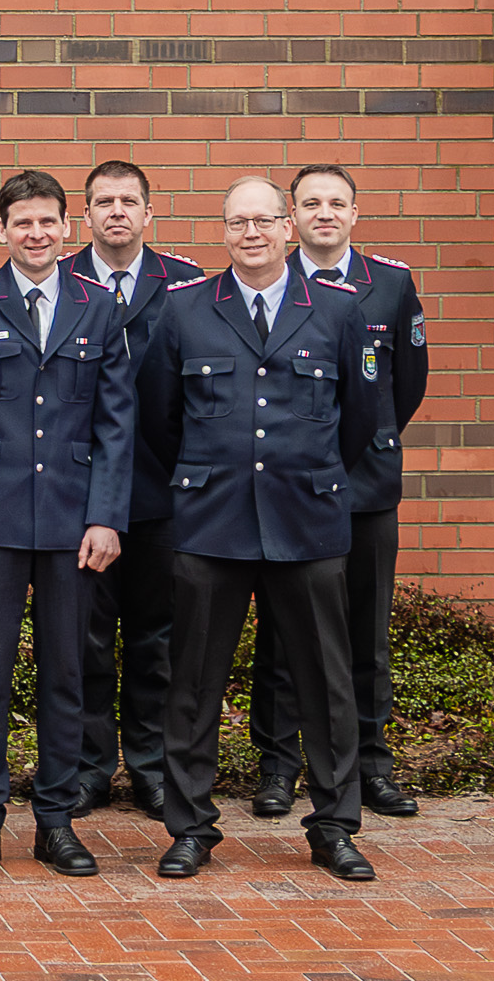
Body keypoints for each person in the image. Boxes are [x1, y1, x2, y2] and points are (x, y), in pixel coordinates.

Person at [134, 179, 378, 883]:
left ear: (287, 227)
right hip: (213, 522)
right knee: (192, 683)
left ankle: (334, 827)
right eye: (237, 222)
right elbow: (160, 417)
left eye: (264, 220)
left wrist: (310, 470)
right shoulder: (184, 312)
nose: (252, 233)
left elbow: (359, 416)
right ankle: (189, 829)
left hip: (307, 518)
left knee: (327, 683)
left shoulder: (337, 310)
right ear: (223, 231)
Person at [0, 169, 131, 880]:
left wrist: (107, 516)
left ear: (66, 227)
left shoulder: (98, 306)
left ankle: (56, 820)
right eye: (22, 223)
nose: (36, 234)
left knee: (68, 674)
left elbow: (116, 422)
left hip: (76, 524)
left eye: (48, 222)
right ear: (2, 230)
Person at [248, 163, 431, 821]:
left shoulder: (390, 284)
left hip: (366, 487)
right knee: (281, 632)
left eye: (338, 203)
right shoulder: (271, 282)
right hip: (291, 489)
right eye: (311, 203)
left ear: (355, 214)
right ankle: (277, 768)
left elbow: (403, 387)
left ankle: (370, 769)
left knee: (364, 633)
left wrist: (359, 446)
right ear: (290, 217)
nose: (324, 213)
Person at [64, 158, 208, 820]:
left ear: (150, 214)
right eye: (103, 201)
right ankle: (91, 767)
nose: (116, 211)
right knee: (84, 640)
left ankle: (150, 767)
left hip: (160, 494)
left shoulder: (185, 285)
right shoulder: (56, 280)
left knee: (156, 640)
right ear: (84, 216)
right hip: (75, 495)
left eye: (128, 201)